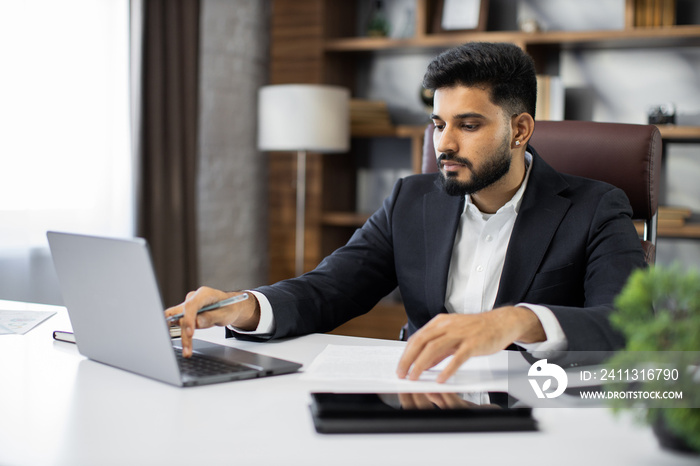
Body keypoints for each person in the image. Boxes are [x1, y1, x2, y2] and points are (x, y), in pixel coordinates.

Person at [165, 42, 646, 383]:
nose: (445, 144)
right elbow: (329, 289)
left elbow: (626, 324)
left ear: (520, 129)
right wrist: (247, 305)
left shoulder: (595, 207)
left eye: (469, 125)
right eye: (438, 124)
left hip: (537, 408)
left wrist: (515, 322)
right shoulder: (410, 200)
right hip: (421, 396)